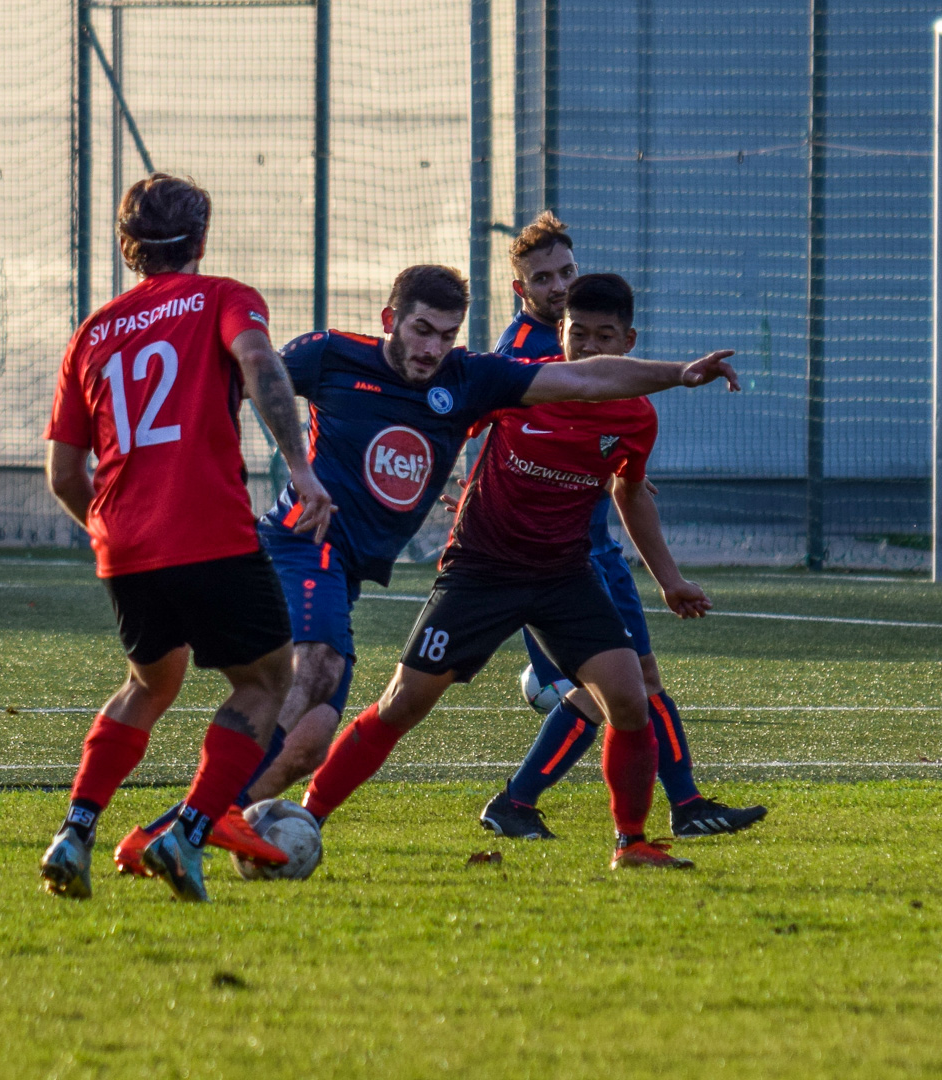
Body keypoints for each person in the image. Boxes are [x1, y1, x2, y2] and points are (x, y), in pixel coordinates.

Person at [301, 273, 742, 870]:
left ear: (628, 341)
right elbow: (441, 421)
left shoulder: (636, 417)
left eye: (603, 336)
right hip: (481, 570)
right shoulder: (521, 384)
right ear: (559, 332)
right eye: (577, 333)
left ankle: (631, 842)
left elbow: (630, 492)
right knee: (403, 702)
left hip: (564, 575)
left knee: (629, 698)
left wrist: (670, 579)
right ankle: (306, 817)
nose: (588, 347)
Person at [111, 265, 527, 873]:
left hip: (343, 572)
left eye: (447, 334)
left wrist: (663, 375)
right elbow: (238, 381)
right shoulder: (331, 355)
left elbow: (581, 380)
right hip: (301, 544)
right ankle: (201, 823)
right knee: (318, 668)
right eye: (422, 329)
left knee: (309, 740)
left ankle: (160, 836)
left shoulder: (468, 378)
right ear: (391, 320)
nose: (432, 347)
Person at [38, 172, 335, 903]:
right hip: (209, 530)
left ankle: (74, 832)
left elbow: (63, 474)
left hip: (125, 544)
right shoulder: (223, 297)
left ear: (127, 247)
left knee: (149, 683)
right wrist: (301, 468)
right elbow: (259, 361)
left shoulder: (92, 333)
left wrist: (114, 532)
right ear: (201, 239)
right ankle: (189, 832)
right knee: (266, 682)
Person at [482, 214, 766, 840]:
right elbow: (532, 418)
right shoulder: (522, 353)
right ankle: (534, 801)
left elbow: (598, 418)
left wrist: (618, 462)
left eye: (566, 271)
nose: (559, 285)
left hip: (590, 543)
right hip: (556, 552)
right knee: (620, 684)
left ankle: (675, 804)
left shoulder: (575, 331)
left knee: (630, 683)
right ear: (520, 289)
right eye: (543, 278)